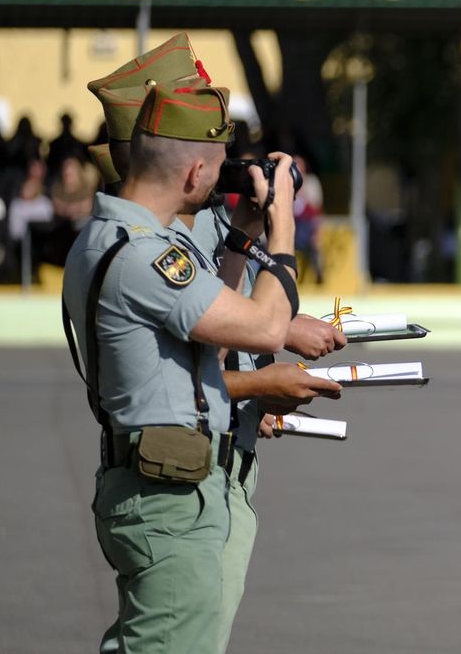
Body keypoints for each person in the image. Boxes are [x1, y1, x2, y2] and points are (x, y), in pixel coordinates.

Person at [84, 35, 348, 649]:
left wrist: (243, 234)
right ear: (196, 168)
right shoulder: (145, 255)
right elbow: (253, 330)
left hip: (174, 481)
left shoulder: (118, 240)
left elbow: (215, 342)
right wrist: (282, 229)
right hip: (169, 492)